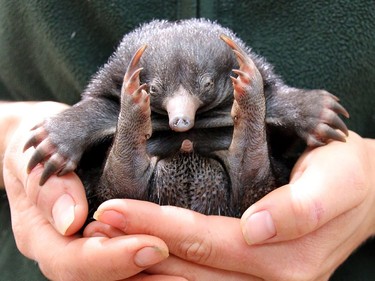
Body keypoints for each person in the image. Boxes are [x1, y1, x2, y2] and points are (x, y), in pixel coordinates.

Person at [1, 1, 375, 280]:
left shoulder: (240, 70)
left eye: (205, 89)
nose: (182, 118)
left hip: (246, 195)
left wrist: (369, 187)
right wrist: (13, 137)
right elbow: (95, 108)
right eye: (163, 94)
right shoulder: (120, 80)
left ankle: (246, 117)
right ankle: (133, 123)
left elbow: (283, 100)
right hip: (118, 207)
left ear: (229, 74)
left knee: (253, 169)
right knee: (119, 182)